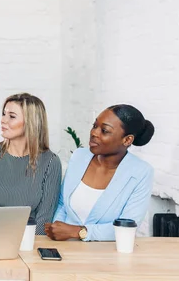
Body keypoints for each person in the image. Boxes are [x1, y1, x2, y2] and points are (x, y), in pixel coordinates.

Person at [45, 104, 155, 242]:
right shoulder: (79, 157)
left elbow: (127, 227)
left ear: (127, 140)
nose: (94, 133)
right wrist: (57, 231)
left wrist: (79, 232)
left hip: (105, 256)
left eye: (104, 130)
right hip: (64, 248)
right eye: (94, 126)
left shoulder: (141, 172)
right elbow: (62, 204)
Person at [0, 93, 61, 234]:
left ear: (31, 122)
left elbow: (44, 219)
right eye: (3, 114)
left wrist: (28, 248)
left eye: (12, 116)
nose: (3, 120)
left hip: (29, 242)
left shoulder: (50, 161)